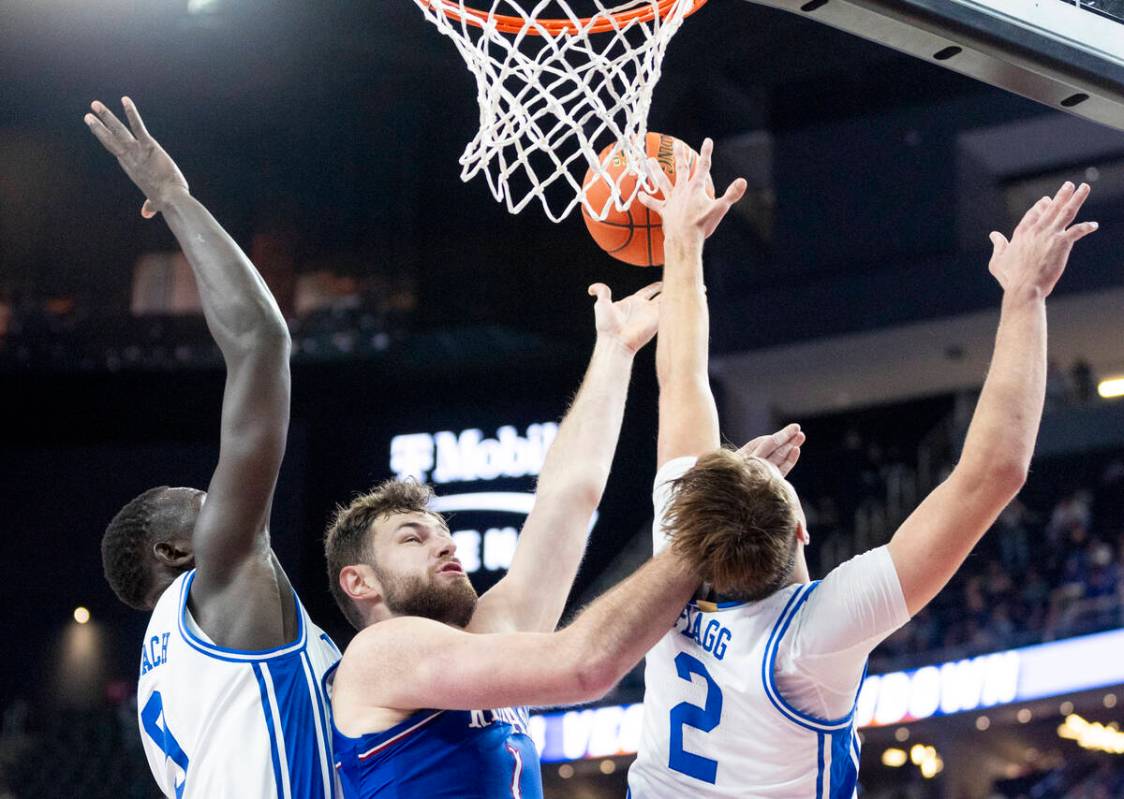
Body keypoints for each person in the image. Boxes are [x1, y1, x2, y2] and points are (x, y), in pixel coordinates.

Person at [626, 155, 1098, 798]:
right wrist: (1026, 293)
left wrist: (680, 245)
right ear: (799, 530)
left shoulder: (672, 558)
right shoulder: (806, 641)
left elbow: (681, 383)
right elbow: (995, 471)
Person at [323, 161, 756, 797]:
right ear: (358, 582)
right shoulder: (380, 656)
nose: (445, 543)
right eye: (413, 539)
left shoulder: (483, 640)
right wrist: (714, 526)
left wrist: (614, 351)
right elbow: (584, 669)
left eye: (440, 531)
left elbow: (567, 502)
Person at [90, 98, 341, 799]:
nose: (226, 498)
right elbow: (262, 343)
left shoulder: (157, 683)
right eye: (203, 502)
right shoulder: (222, 574)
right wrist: (174, 196)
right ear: (175, 552)